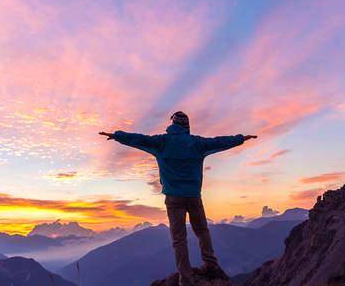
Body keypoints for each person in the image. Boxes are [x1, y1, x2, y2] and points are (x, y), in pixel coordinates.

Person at [100, 111, 256, 286]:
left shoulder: (161, 142)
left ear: (173, 124)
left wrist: (117, 136)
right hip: (194, 196)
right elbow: (220, 142)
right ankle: (211, 265)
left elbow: (139, 139)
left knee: (179, 239)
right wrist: (241, 138)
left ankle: (186, 279)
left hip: (174, 199)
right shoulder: (197, 143)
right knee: (202, 231)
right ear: (186, 126)